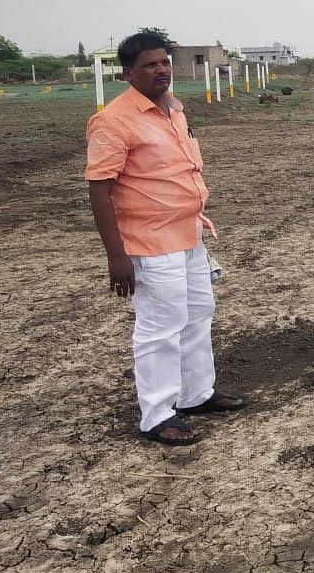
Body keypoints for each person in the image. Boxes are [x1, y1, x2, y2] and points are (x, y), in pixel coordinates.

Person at [86, 32, 245, 446]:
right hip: (150, 242)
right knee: (160, 327)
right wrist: (116, 257)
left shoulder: (173, 109)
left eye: (164, 63)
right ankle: (156, 415)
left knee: (197, 313)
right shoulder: (113, 121)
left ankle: (197, 394)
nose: (161, 70)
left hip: (188, 233)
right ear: (128, 73)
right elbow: (99, 189)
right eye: (149, 65)